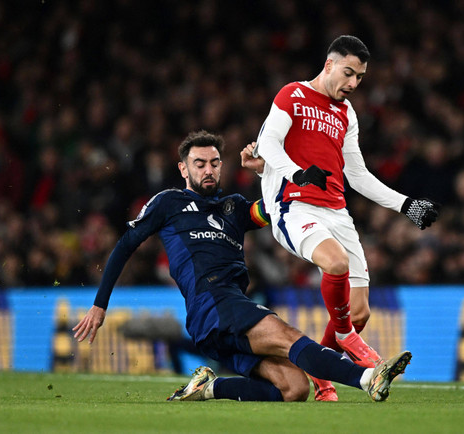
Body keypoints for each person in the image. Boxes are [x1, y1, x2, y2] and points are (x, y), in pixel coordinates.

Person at [72, 130, 411, 402]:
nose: (208, 170)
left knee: (293, 388)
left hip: (226, 309)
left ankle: (209, 388)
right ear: (183, 169)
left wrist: (266, 172)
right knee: (288, 336)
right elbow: (124, 246)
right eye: (199, 163)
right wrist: (100, 305)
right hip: (211, 301)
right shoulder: (168, 203)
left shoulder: (233, 207)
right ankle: (368, 377)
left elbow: (279, 207)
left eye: (215, 163)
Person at [251, 35, 439, 401]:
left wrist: (405, 205)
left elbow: (357, 174)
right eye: (349, 73)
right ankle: (344, 337)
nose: (353, 84)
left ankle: (321, 378)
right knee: (335, 266)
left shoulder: (346, 113)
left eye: (360, 77)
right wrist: (297, 173)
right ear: (329, 65)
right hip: (294, 206)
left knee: (360, 310)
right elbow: (268, 144)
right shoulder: (293, 94)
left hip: (337, 211)